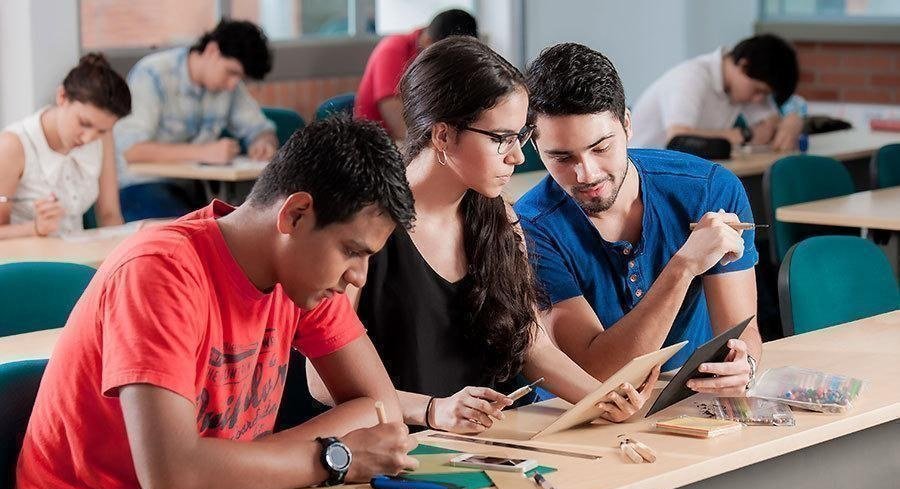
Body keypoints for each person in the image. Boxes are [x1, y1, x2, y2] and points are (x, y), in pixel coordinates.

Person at [14, 116, 420, 489]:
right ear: (296, 216)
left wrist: (250, 462)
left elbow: (381, 412)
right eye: (352, 251)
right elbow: (172, 476)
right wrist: (332, 457)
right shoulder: (161, 271)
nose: (359, 276)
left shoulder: (304, 279)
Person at [309, 37, 658, 435]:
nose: (518, 156)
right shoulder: (363, 226)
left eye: (520, 136)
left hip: (492, 444)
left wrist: (602, 398)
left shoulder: (499, 216)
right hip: (398, 449)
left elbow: (531, 343)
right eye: (501, 139)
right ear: (442, 136)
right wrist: (431, 410)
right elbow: (322, 382)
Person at [515, 43, 762, 396]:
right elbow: (597, 375)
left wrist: (745, 363)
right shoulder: (531, 226)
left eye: (601, 148)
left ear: (628, 124)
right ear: (536, 149)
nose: (586, 173)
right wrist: (683, 267)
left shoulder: (710, 189)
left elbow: (740, 333)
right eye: (561, 156)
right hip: (576, 412)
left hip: (686, 397)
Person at [115, 19, 280, 221]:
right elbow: (131, 150)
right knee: (192, 233)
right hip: (142, 187)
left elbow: (260, 128)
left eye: (240, 78)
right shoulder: (153, 74)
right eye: (232, 72)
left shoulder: (229, 87)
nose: (232, 85)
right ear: (212, 50)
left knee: (240, 226)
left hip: (192, 188)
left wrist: (263, 142)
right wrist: (205, 152)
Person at [0, 53, 130, 239]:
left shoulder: (101, 138)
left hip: (78, 258)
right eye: (84, 123)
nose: (88, 138)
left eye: (102, 130)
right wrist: (35, 228)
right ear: (62, 96)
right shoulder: (13, 146)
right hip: (26, 263)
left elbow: (109, 215)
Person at [630, 34, 801, 151]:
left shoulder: (742, 86)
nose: (758, 99)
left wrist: (792, 121)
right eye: (758, 91)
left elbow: (771, 124)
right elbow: (678, 138)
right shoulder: (690, 77)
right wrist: (744, 135)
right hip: (643, 178)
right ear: (744, 64)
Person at [354, 9, 477, 142]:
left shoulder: (447, 56)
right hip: (379, 143)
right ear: (428, 40)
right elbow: (396, 120)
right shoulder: (392, 49)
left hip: (419, 136)